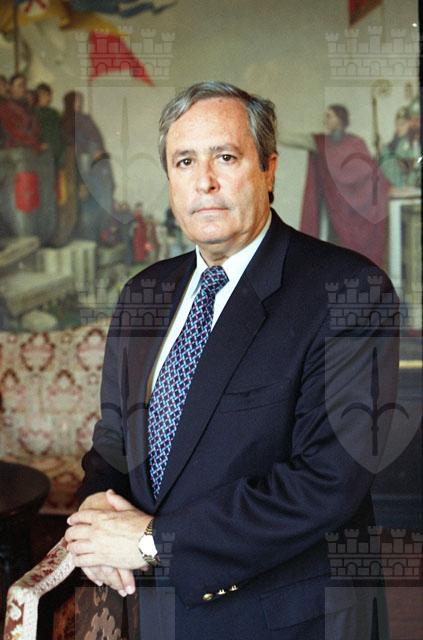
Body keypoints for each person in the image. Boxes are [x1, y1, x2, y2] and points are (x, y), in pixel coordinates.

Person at [66, 82, 399, 640]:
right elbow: (114, 442)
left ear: (269, 170)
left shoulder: (348, 291)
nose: (205, 182)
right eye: (184, 161)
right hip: (154, 614)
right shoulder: (143, 293)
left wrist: (152, 542)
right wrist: (94, 514)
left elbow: (328, 480)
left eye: (225, 157)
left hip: (285, 621)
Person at [279, 104, 390, 269]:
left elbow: (369, 174)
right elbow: (289, 138)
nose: (325, 120)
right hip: (337, 212)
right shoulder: (321, 143)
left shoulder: (356, 143)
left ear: (339, 120)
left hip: (359, 210)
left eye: (329, 116)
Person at [380, 105, 421, 189]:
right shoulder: (390, 146)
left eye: (402, 124)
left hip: (409, 186)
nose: (398, 127)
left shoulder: (414, 142)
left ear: (410, 123)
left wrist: (416, 162)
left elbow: (419, 159)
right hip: (395, 187)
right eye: (397, 124)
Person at [0, 73, 42, 152]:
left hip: (29, 147)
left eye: (24, 85)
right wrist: (35, 144)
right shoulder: (4, 107)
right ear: (10, 87)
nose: (23, 88)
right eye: (19, 85)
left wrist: (36, 142)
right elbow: (13, 132)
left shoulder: (28, 107)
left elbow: (36, 128)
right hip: (13, 149)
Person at [35, 82, 65, 169]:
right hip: (41, 152)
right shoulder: (33, 113)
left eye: (46, 95)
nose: (43, 98)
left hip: (57, 151)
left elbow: (61, 132)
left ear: (50, 97)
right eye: (40, 95)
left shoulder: (55, 113)